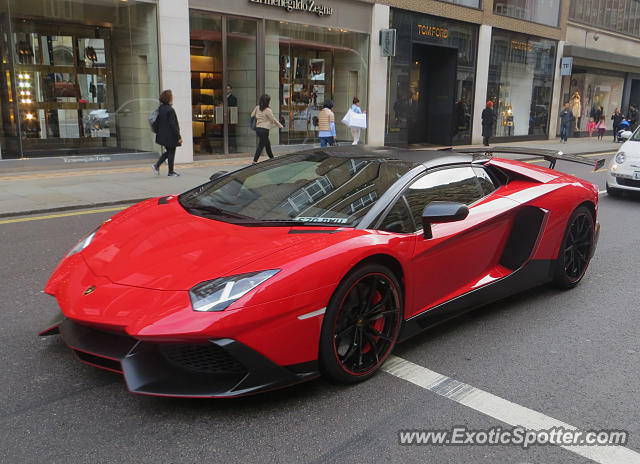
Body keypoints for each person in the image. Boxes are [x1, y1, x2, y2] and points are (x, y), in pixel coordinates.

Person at [152, 89, 182, 177]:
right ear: (169, 98)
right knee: (171, 152)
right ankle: (170, 172)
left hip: (162, 135)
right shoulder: (170, 110)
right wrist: (178, 137)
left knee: (169, 152)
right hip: (170, 135)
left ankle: (157, 166)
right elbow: (173, 124)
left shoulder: (160, 109)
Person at [251, 94, 283, 163]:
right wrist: (280, 125)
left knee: (267, 144)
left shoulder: (257, 107)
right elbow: (273, 120)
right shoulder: (268, 110)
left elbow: (252, 115)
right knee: (261, 146)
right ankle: (254, 161)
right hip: (264, 130)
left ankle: (272, 159)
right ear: (267, 101)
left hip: (258, 129)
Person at [226, 84, 238, 153]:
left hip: (231, 118)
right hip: (224, 119)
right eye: (226, 89)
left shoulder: (233, 98)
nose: (227, 90)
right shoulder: (222, 97)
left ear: (231, 90)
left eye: (228, 89)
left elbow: (233, 108)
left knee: (231, 133)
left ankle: (232, 147)